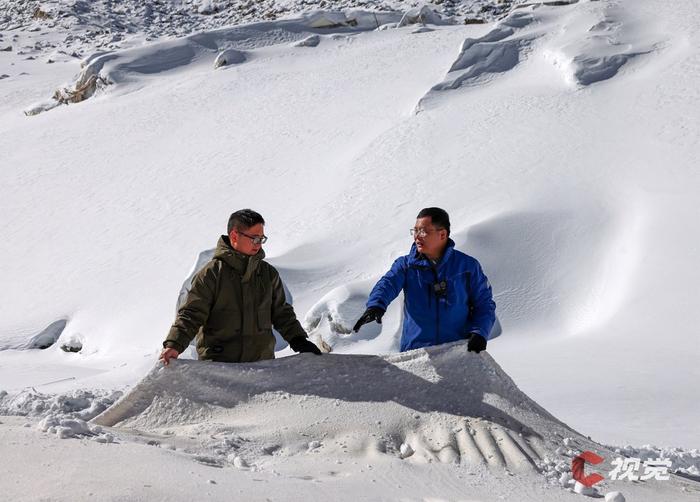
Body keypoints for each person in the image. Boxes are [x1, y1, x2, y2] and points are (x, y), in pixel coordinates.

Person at [160, 209, 321, 365]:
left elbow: (282, 313)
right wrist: (174, 345)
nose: (259, 244)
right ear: (235, 236)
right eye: (255, 238)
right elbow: (191, 314)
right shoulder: (212, 274)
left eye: (262, 238)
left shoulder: (267, 274)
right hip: (220, 368)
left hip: (262, 365)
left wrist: (298, 340)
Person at [353, 207, 496, 353]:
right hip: (417, 352)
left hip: (457, 350)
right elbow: (387, 284)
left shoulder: (467, 266)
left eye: (423, 231)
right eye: (415, 231)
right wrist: (376, 305)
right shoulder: (405, 265)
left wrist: (480, 333)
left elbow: (484, 304)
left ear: (442, 234)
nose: (416, 236)